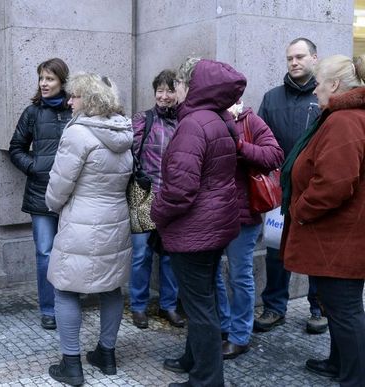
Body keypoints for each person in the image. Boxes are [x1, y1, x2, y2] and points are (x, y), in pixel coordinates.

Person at [153, 57, 245, 387]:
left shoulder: (194, 124)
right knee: (202, 300)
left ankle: (205, 380)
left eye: (178, 83)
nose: (175, 89)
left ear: (192, 86)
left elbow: (180, 189)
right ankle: (192, 360)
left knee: (200, 307)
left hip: (195, 230)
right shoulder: (218, 119)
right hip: (213, 226)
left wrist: (156, 213)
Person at [281, 54, 365, 387]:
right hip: (340, 237)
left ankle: (354, 377)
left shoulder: (344, 121)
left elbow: (334, 184)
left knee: (345, 311)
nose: (315, 88)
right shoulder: (344, 117)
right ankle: (338, 363)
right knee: (339, 306)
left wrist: (299, 210)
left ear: (333, 85)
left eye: (319, 82)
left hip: (340, 239)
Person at [45, 72, 133, 386]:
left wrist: (52, 205)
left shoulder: (78, 134)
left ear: (90, 100)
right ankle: (106, 355)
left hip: (81, 221)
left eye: (75, 96)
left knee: (65, 288)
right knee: (110, 288)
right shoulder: (123, 131)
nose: (70, 101)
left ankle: (71, 366)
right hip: (116, 220)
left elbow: (59, 185)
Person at [255, 37, 326, 334]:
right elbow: (261, 140)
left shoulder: (324, 98)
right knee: (275, 251)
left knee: (317, 251)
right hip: (280, 192)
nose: (294, 62)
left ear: (314, 58)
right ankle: (274, 307)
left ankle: (319, 308)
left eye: (299, 57)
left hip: (315, 189)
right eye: (289, 58)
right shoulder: (271, 99)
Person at [215, 100, 284, 360]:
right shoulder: (207, 117)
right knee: (211, 273)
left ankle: (240, 335)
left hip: (244, 215)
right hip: (212, 213)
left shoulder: (249, 120)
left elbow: (274, 155)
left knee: (239, 275)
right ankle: (223, 324)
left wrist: (240, 145)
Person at [9, 58, 72, 330]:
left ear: (62, 82)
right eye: (41, 78)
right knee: (45, 252)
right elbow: (16, 148)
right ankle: (49, 309)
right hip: (40, 194)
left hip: (71, 195)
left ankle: (69, 301)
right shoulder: (32, 112)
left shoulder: (76, 110)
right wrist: (34, 167)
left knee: (69, 251)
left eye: (49, 79)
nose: (43, 84)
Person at [129, 69, 184, 329]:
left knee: (170, 254)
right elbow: (129, 154)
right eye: (160, 90)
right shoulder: (143, 119)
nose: (164, 96)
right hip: (144, 195)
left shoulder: (185, 122)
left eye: (169, 90)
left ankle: (168, 305)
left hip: (173, 197)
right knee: (141, 253)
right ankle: (138, 306)